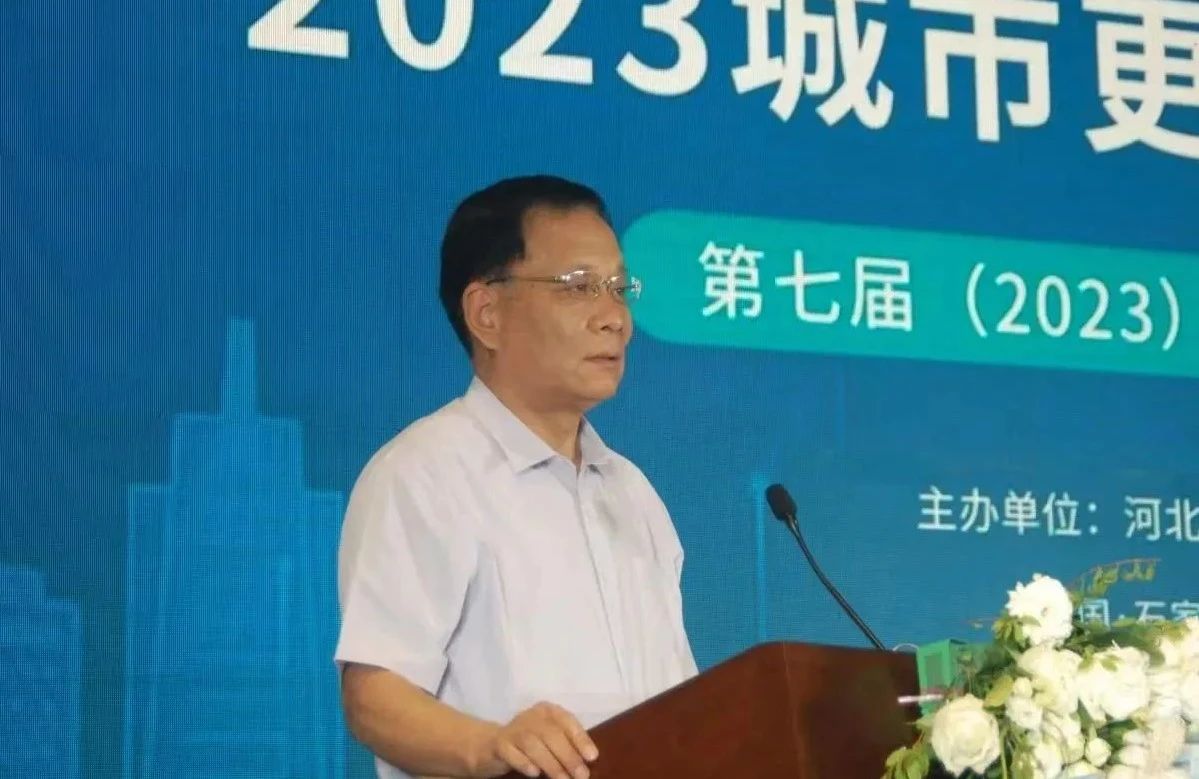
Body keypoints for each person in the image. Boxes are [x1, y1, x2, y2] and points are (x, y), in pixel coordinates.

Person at [334, 175, 698, 779]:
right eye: (579, 287)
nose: (615, 319)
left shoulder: (632, 493)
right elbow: (375, 695)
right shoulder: (424, 473)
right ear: (487, 313)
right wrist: (495, 746)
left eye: (618, 289)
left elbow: (679, 702)